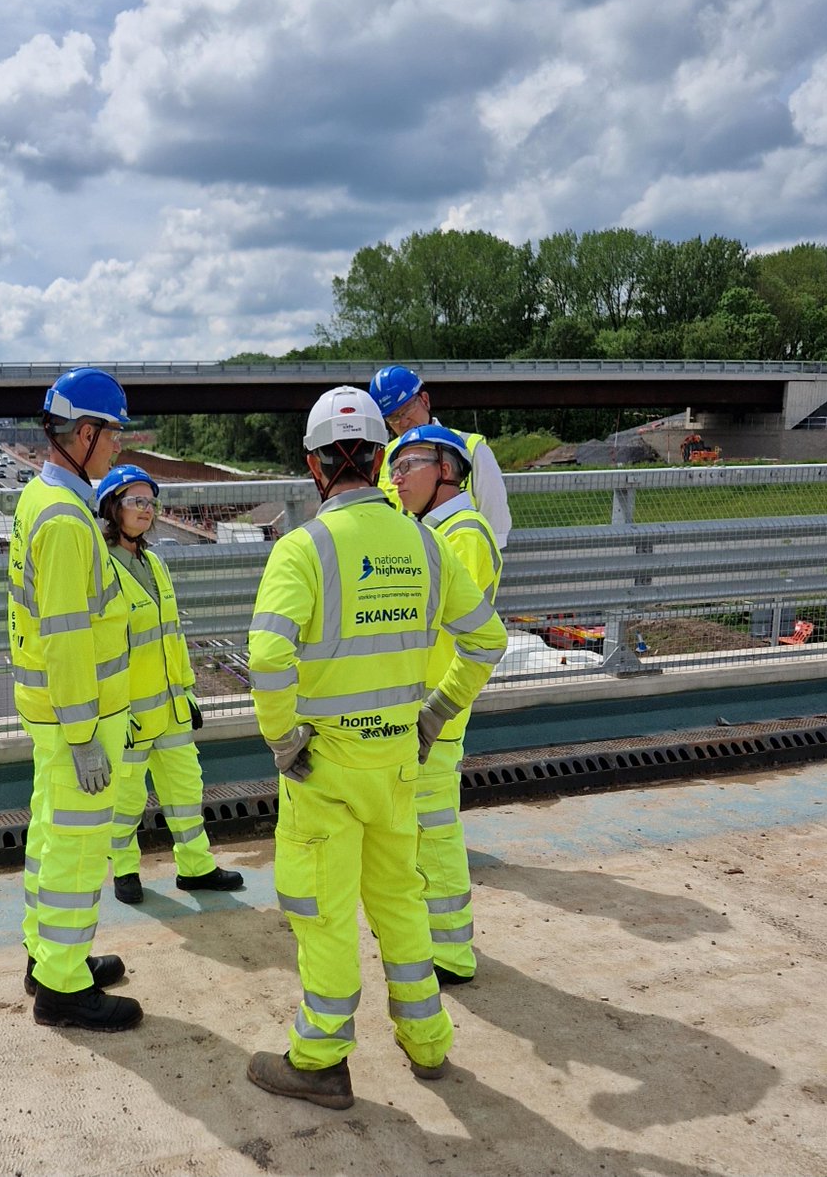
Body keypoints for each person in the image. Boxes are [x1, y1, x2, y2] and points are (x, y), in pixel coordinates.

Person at [245, 386, 508, 1109]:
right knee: (400, 899)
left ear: (314, 464)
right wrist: (436, 712)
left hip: (325, 770)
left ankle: (321, 1058)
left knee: (323, 912)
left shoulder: (304, 549)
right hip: (397, 761)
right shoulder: (424, 540)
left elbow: (268, 657)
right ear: (378, 456)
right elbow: (488, 639)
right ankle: (427, 1043)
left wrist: (280, 739)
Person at [9, 366, 142, 1033]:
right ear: (84, 433)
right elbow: (65, 636)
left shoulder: (45, 497)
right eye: (112, 433)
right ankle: (63, 987)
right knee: (79, 849)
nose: (119, 446)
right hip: (78, 720)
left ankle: (48, 955)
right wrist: (87, 732)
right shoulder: (65, 519)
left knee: (49, 834)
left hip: (56, 716)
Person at [93, 464, 245, 903]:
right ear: (112, 509)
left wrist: (188, 689)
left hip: (171, 707)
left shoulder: (155, 562)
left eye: (150, 502)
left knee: (185, 791)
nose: (146, 509)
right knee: (126, 800)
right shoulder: (103, 570)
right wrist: (111, 711)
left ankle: (195, 868)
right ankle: (124, 871)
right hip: (129, 714)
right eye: (136, 501)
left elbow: (171, 636)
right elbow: (103, 650)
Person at [387, 424, 504, 986]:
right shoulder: (428, 529)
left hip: (435, 710)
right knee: (420, 832)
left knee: (434, 831)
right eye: (393, 465)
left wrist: (434, 709)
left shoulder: (463, 534)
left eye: (409, 464)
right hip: (416, 708)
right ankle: (435, 939)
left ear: (447, 470)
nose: (396, 476)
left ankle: (452, 955)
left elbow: (456, 627)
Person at [369, 364, 513, 549]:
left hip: (463, 563)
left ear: (425, 400)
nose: (403, 422)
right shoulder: (384, 458)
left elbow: (496, 527)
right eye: (393, 418)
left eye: (406, 410)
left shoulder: (471, 449)